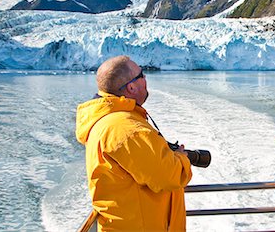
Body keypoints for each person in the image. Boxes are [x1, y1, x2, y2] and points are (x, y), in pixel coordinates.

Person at [76, 55, 193, 231]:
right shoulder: (127, 129)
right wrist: (181, 158)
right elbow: (169, 176)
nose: (145, 79)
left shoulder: (106, 120)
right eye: (141, 75)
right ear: (131, 87)